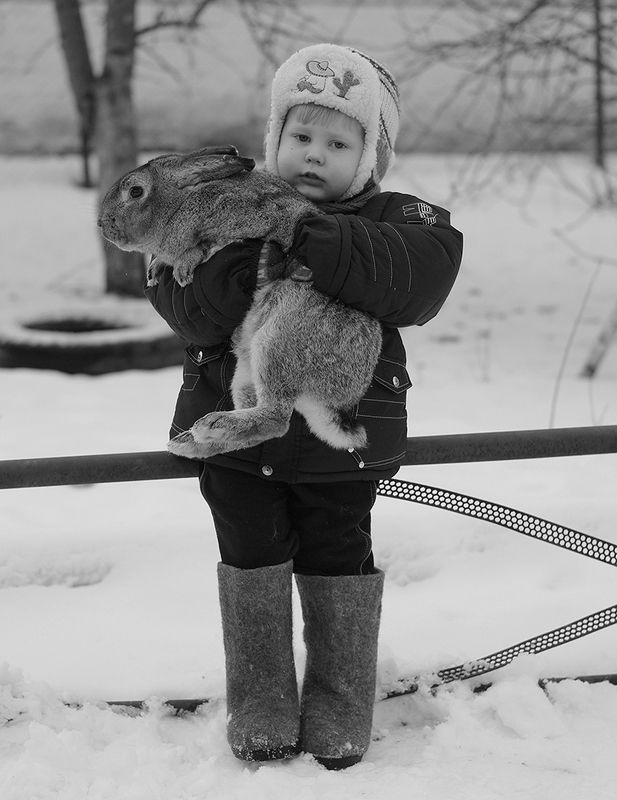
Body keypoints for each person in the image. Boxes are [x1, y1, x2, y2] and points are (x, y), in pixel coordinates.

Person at [145, 43, 463, 769]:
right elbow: (185, 303)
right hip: (235, 439)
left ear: (370, 157)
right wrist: (246, 247)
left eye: (337, 141)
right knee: (249, 552)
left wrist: (302, 232)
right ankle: (260, 697)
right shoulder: (225, 208)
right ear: (273, 140)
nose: (313, 155)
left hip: (335, 444)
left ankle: (339, 698)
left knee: (337, 552)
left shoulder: (396, 218)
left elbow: (421, 279)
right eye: (300, 137)